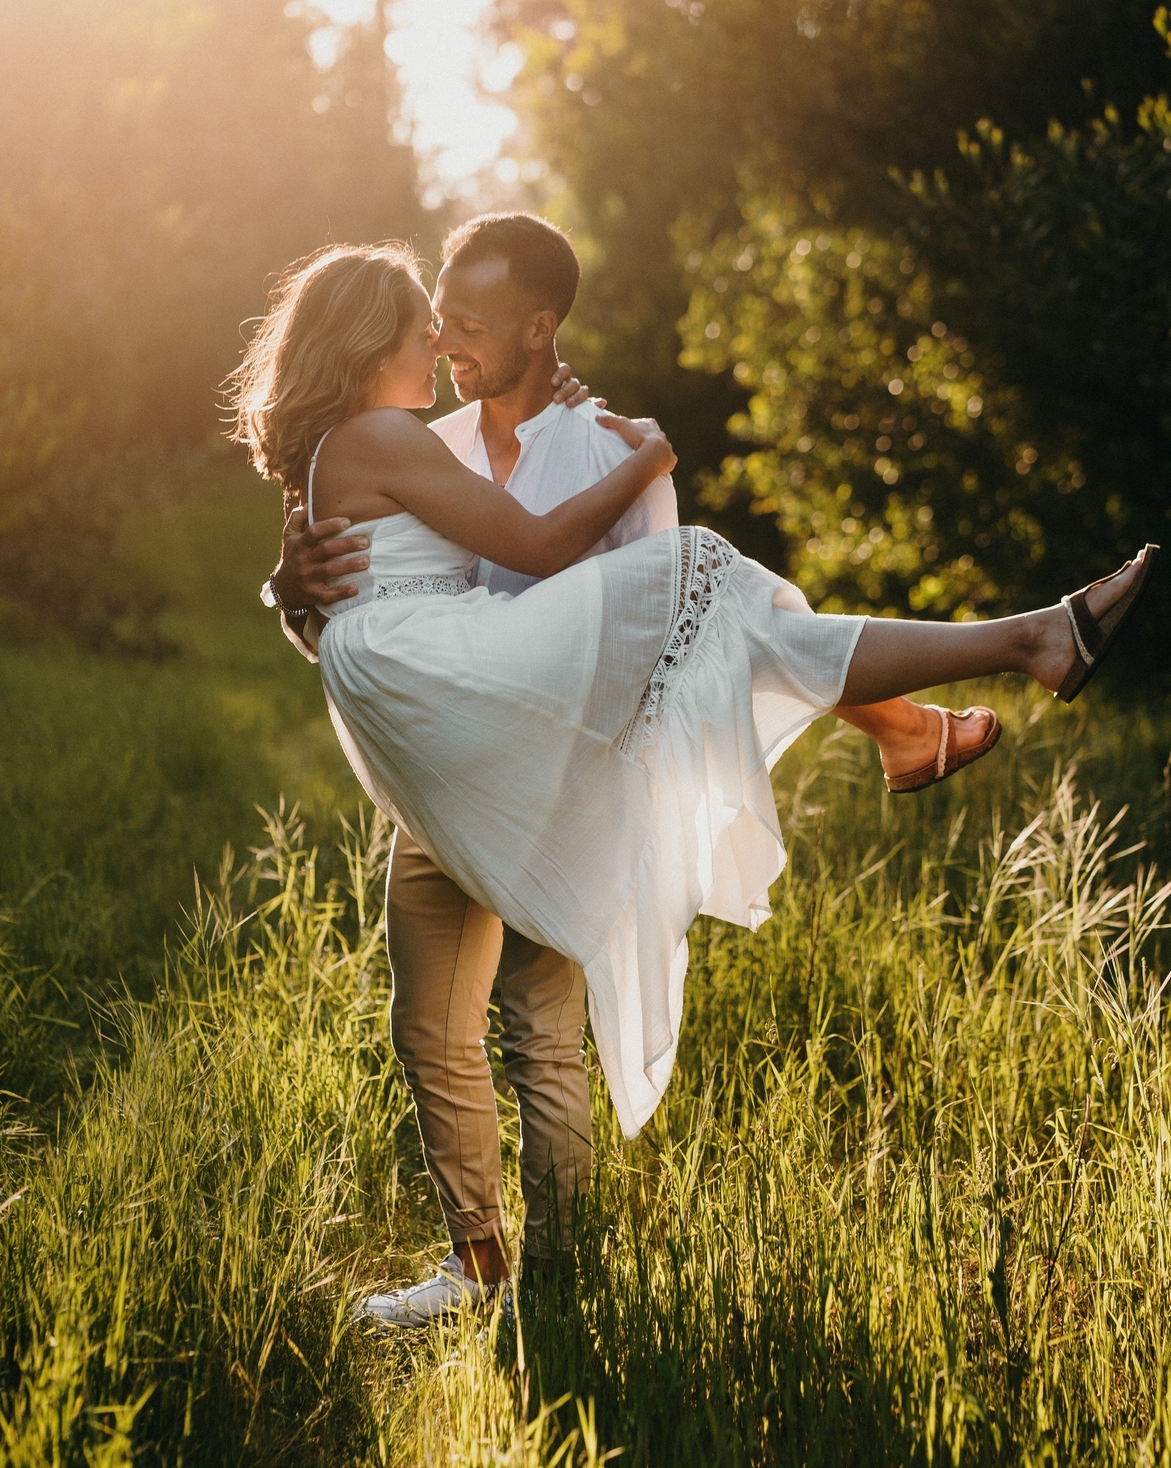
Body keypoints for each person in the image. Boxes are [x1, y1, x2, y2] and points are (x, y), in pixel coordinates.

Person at [257, 216, 1002, 1324]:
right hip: (458, 741)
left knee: (532, 1023)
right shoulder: (402, 439)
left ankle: (551, 1287)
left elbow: (539, 575)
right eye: (429, 329)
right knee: (436, 1028)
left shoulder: (523, 435)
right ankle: (481, 1272)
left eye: (460, 328)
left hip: (517, 741)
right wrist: (285, 588)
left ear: (537, 330)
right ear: (372, 348)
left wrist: (611, 447)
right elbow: (392, 594)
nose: (443, 346)